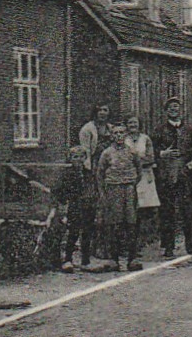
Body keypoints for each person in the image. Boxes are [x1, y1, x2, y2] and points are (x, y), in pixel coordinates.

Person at [155, 98, 192, 259]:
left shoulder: (188, 130)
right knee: (167, 211)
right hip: (167, 175)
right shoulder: (160, 130)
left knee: (187, 210)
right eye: (170, 107)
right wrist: (162, 154)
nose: (174, 109)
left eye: (176, 107)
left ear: (181, 110)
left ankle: (191, 245)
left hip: (185, 174)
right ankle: (168, 246)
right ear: (166, 111)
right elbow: (151, 150)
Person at [94, 124, 142, 271]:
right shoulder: (107, 153)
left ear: (126, 134)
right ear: (111, 135)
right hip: (113, 189)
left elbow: (139, 171)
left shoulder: (132, 152)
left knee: (131, 223)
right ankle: (113, 259)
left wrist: (130, 183)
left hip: (128, 188)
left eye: (122, 133)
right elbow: (100, 174)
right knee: (114, 224)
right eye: (116, 133)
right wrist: (103, 193)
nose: (119, 135)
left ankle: (132, 259)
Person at [55, 145, 97, 272]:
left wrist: (93, 201)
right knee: (73, 232)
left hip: (88, 206)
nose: (78, 160)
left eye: (81, 157)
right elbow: (59, 191)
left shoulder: (89, 174)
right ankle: (68, 259)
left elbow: (93, 189)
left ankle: (85, 261)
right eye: (75, 157)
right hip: (74, 206)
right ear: (70, 159)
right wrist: (65, 201)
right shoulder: (67, 175)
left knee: (87, 233)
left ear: (85, 158)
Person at [123, 115, 158, 260]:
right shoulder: (123, 139)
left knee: (144, 211)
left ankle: (142, 242)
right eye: (130, 123)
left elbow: (150, 157)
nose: (133, 125)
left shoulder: (145, 139)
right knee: (129, 210)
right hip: (129, 177)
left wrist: (134, 159)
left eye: (135, 123)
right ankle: (129, 245)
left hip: (144, 177)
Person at [77, 103, 112, 171]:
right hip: (94, 162)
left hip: (109, 162)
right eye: (99, 110)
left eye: (105, 110)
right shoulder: (87, 129)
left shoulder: (111, 128)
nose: (102, 113)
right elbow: (85, 149)